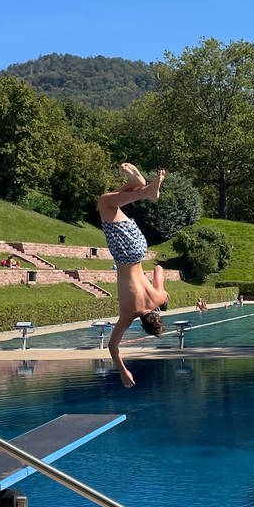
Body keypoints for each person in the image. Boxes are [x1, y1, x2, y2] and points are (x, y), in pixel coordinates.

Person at [99, 163, 169, 388]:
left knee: (110, 203)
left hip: (140, 249)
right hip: (123, 254)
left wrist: (164, 296)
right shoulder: (129, 315)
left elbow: (158, 269)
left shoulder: (157, 299)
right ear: (141, 324)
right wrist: (123, 370)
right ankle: (146, 191)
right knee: (104, 202)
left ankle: (135, 186)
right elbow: (112, 346)